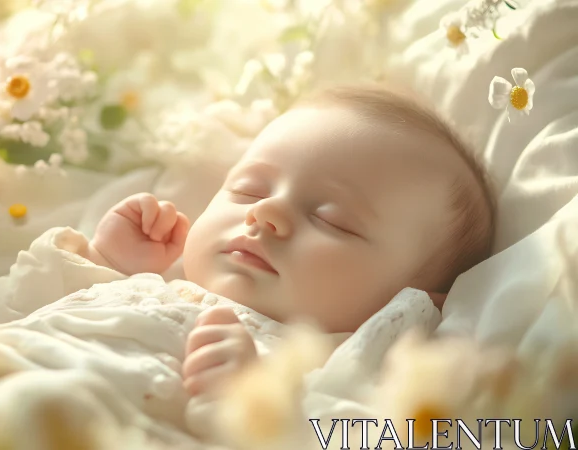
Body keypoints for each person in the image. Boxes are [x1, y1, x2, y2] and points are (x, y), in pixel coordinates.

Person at [85, 85, 497, 399]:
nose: (266, 212)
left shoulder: (337, 378)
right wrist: (103, 264)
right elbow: (26, 311)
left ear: (410, 306)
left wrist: (251, 400)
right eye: (248, 190)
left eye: (330, 220)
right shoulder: (152, 285)